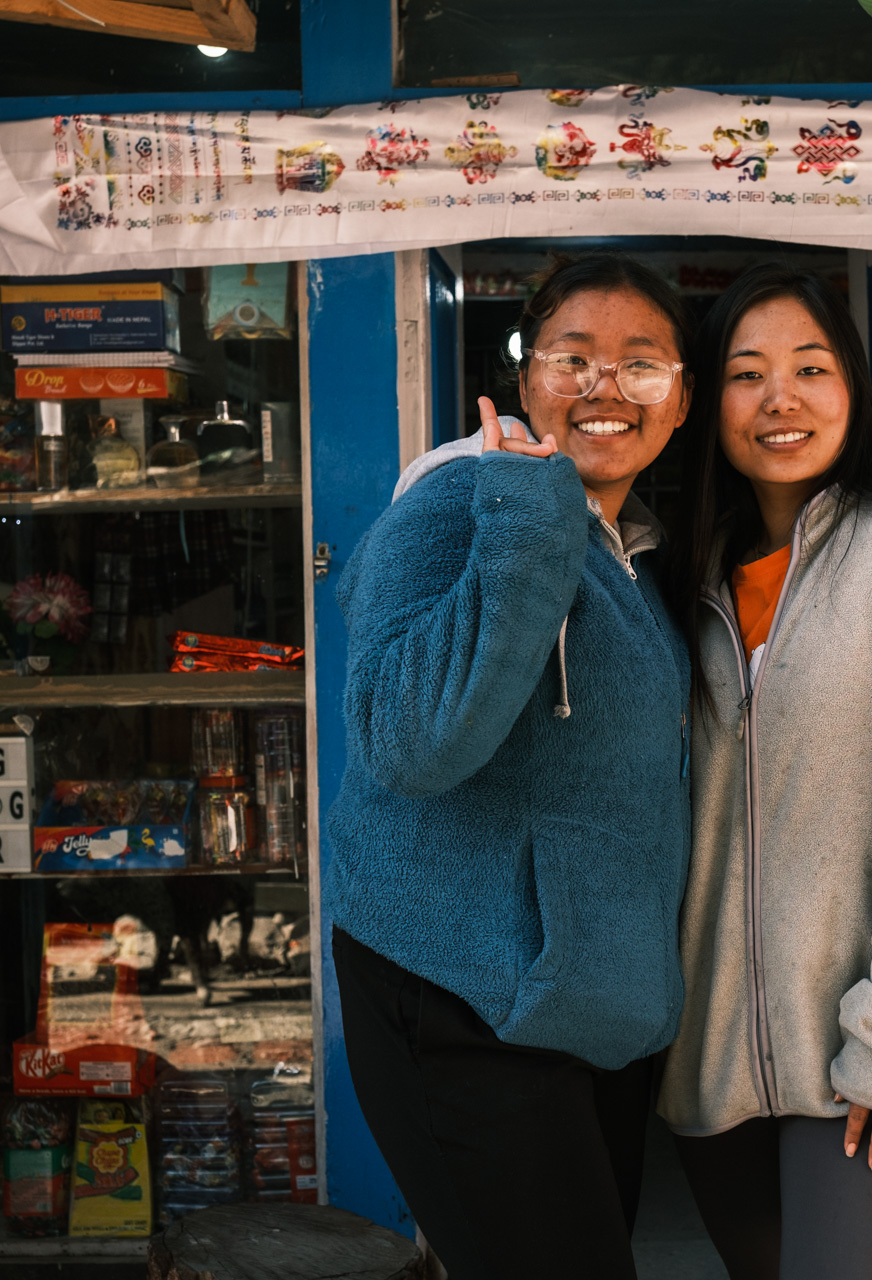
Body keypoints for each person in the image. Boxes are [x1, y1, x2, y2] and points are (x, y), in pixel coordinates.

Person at [324, 254, 694, 1280]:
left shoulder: (640, 544)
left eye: (641, 363)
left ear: (681, 399)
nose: (603, 386)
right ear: (524, 376)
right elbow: (416, 742)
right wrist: (531, 513)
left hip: (584, 1005)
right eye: (571, 356)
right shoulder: (452, 502)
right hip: (459, 991)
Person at [659, 265, 872, 1280]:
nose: (782, 398)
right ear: (703, 402)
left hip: (865, 1059)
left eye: (811, 367)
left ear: (855, 387)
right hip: (709, 1062)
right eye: (747, 372)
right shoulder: (686, 578)